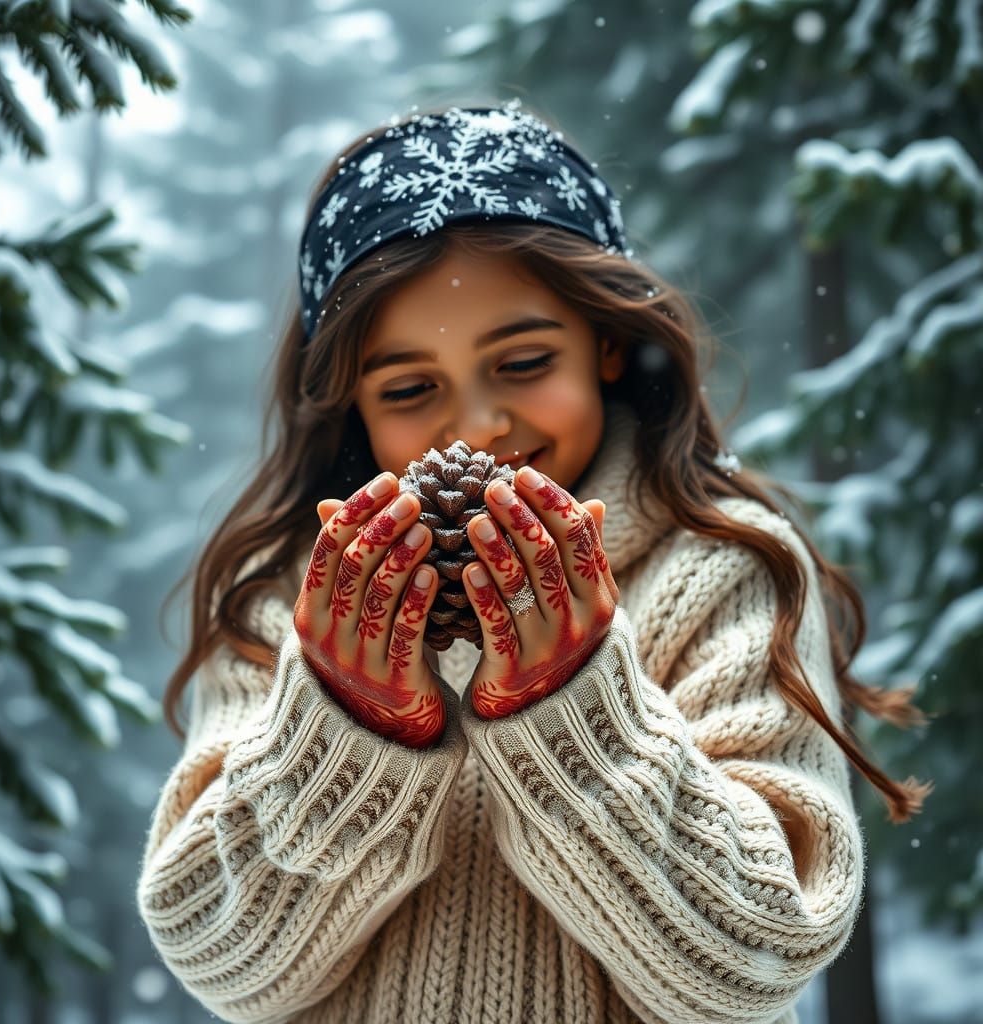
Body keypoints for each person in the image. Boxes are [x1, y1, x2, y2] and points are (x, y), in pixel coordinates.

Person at [136, 99, 932, 1024]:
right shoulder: (289, 601)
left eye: (521, 363)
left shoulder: (718, 567)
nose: (478, 426)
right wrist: (345, 734)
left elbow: (759, 955)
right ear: (348, 400)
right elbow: (219, 955)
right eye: (409, 387)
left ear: (604, 339)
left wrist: (574, 711)